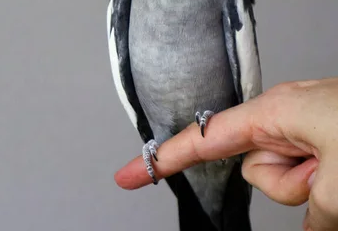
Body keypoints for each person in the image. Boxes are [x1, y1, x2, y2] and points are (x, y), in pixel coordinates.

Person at [113, 77, 338, 231]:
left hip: (227, 151)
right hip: (182, 164)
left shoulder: (231, 4)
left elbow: (246, 94)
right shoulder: (123, 8)